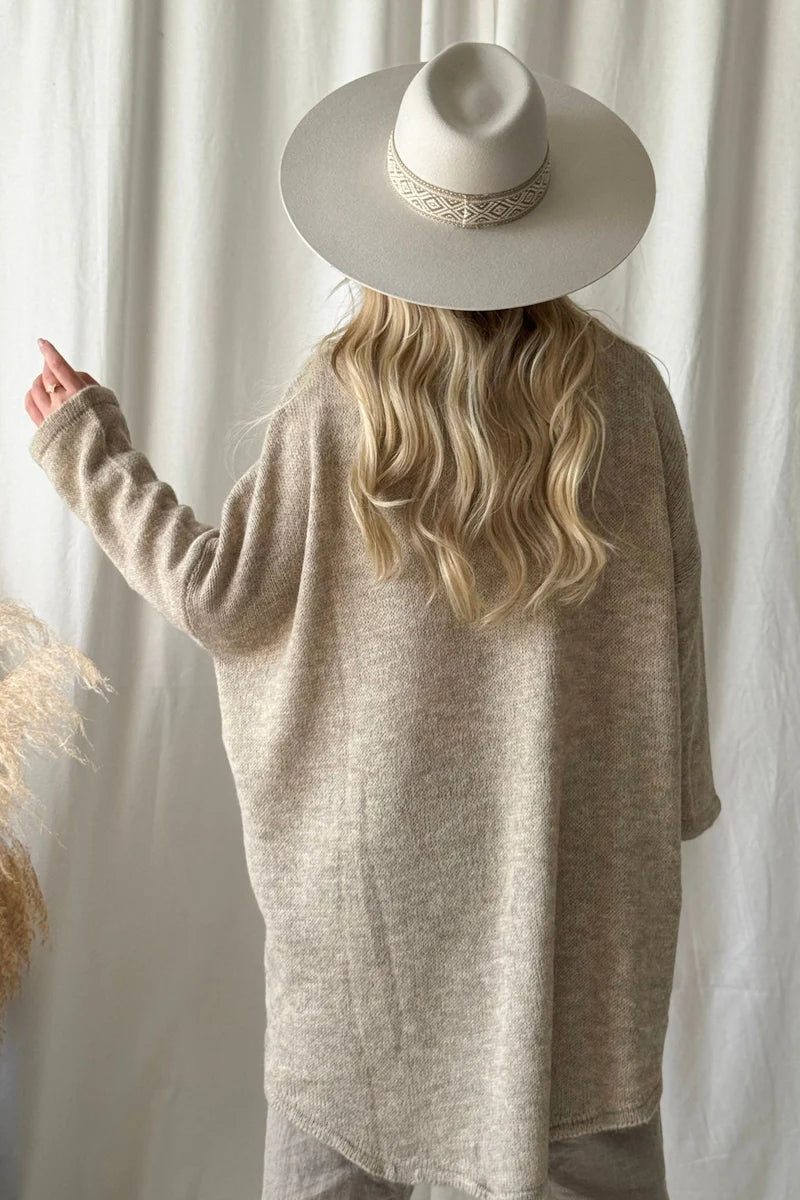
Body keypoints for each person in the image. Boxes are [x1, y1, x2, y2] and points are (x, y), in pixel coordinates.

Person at [25, 41, 721, 1200]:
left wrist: (91, 454)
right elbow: (674, 633)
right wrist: (674, 800)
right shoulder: (627, 399)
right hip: (578, 915)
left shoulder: (338, 405)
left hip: (367, 946)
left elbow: (219, 596)